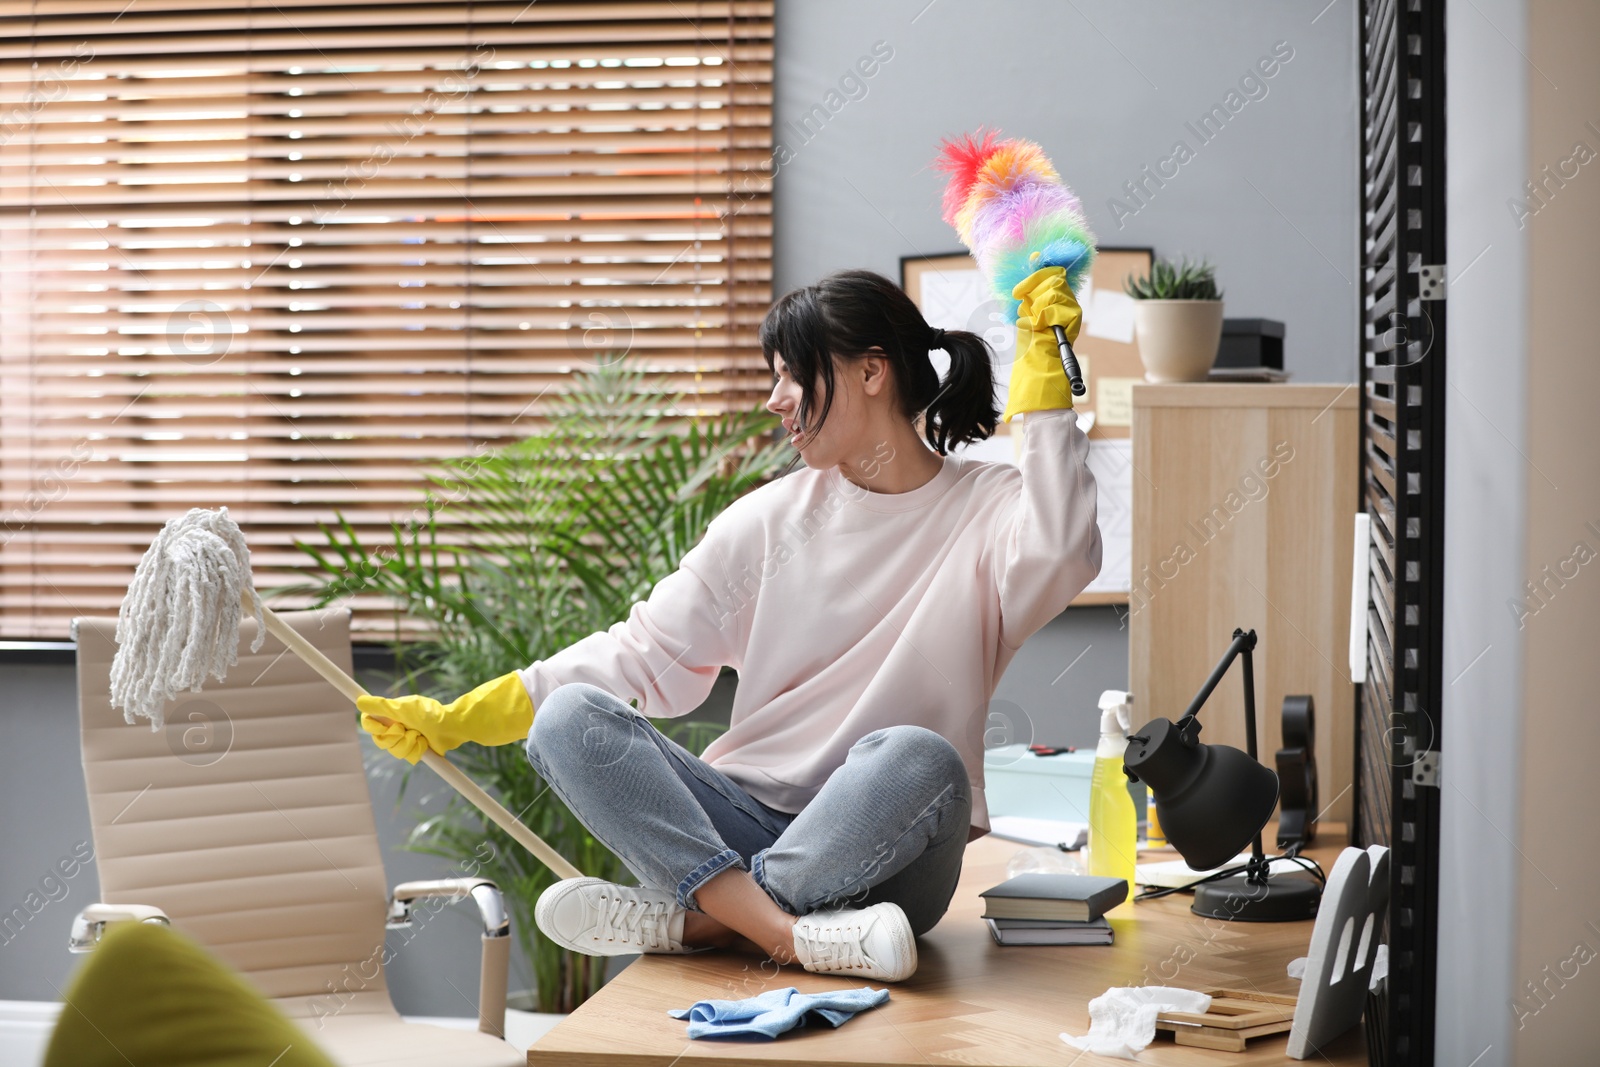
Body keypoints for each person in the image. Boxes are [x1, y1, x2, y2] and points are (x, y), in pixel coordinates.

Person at [359, 267, 1101, 983]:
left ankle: (702, 925)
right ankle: (784, 932)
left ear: (872, 372)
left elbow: (1061, 552)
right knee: (567, 717)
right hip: (744, 827)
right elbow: (641, 655)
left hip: (894, 863)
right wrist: (460, 716)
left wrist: (1046, 387)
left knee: (920, 757)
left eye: (792, 373)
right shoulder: (766, 520)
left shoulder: (991, 508)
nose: (776, 399)